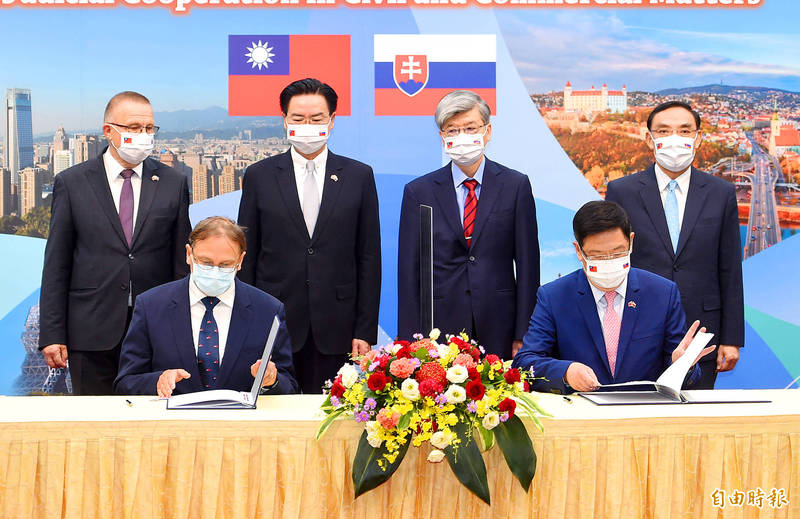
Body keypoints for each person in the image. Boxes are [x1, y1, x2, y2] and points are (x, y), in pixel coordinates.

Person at [39, 91, 191, 395]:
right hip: (90, 329)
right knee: (94, 424)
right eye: (134, 128)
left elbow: (180, 263)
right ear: (109, 131)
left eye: (149, 129)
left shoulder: (173, 183)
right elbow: (58, 263)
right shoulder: (72, 183)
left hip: (155, 329)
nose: (144, 136)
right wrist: (52, 333)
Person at [237, 78, 381, 394]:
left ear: (332, 121)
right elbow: (247, 255)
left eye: (316, 119)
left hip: (339, 325)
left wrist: (365, 329)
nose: (307, 126)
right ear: (284, 120)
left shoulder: (358, 176)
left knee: (332, 415)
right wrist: (248, 324)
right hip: (274, 322)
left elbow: (369, 257)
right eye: (298, 119)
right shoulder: (260, 176)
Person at [605, 101, 743, 389]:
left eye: (684, 131)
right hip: (637, 329)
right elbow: (612, 261)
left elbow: (729, 269)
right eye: (664, 131)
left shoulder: (721, 193)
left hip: (702, 332)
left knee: (695, 423)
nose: (675, 139)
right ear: (649, 138)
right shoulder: (622, 191)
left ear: (698, 138)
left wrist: (731, 338)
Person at [512, 201, 713, 394]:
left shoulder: (662, 293)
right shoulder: (554, 296)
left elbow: (686, 377)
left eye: (618, 253)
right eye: (598, 256)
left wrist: (682, 365)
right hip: (581, 417)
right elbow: (525, 362)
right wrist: (566, 372)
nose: (609, 262)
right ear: (578, 251)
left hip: (644, 414)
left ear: (631, 242)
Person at [397, 90, 540, 359]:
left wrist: (525, 333)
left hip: (500, 323)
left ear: (487, 131)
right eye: (452, 130)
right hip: (438, 328)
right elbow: (408, 271)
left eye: (470, 128)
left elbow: (528, 265)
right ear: (442, 137)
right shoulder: (419, 192)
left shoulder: (515, 186)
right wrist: (409, 340)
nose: (462, 137)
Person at [115, 217, 298, 396]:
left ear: (240, 261)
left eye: (225, 265)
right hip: (174, 423)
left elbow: (289, 385)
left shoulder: (267, 310)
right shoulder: (151, 306)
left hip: (240, 423)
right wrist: (158, 381)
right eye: (206, 263)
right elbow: (126, 382)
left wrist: (271, 380)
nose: (215, 272)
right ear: (189, 254)